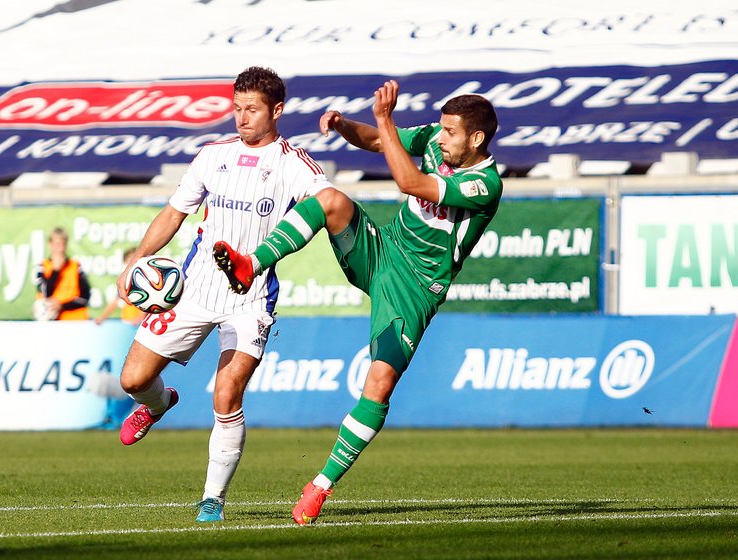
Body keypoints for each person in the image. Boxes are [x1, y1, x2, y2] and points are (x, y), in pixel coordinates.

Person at [213, 80, 502, 525]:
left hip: (414, 289)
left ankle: (320, 486)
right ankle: (251, 264)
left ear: (476, 138)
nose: (440, 137)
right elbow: (374, 140)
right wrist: (346, 124)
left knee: (380, 384)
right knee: (329, 200)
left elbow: (408, 181)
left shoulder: (485, 184)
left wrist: (385, 118)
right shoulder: (433, 140)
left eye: (450, 132)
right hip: (383, 251)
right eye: (440, 129)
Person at [114, 66, 334, 523]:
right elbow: (174, 214)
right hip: (193, 290)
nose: (241, 117)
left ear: (277, 110)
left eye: (251, 109)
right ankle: (159, 404)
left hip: (251, 298)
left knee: (227, 393)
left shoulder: (295, 164)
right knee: (133, 381)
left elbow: (329, 206)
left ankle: (212, 499)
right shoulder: (212, 155)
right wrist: (136, 259)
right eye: (236, 108)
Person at [34, 226, 91, 320]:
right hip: (54, 323)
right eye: (57, 244)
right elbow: (45, 294)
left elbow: (85, 298)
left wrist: (62, 305)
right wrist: (55, 271)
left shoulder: (75, 266)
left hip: (76, 321)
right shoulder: (42, 266)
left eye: (62, 244)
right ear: (50, 245)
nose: (60, 249)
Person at [95, 248, 146, 326]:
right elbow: (115, 301)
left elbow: (149, 303)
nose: (131, 264)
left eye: (134, 260)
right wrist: (102, 318)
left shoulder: (145, 281)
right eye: (129, 261)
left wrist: (139, 319)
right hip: (127, 323)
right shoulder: (126, 282)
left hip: (143, 324)